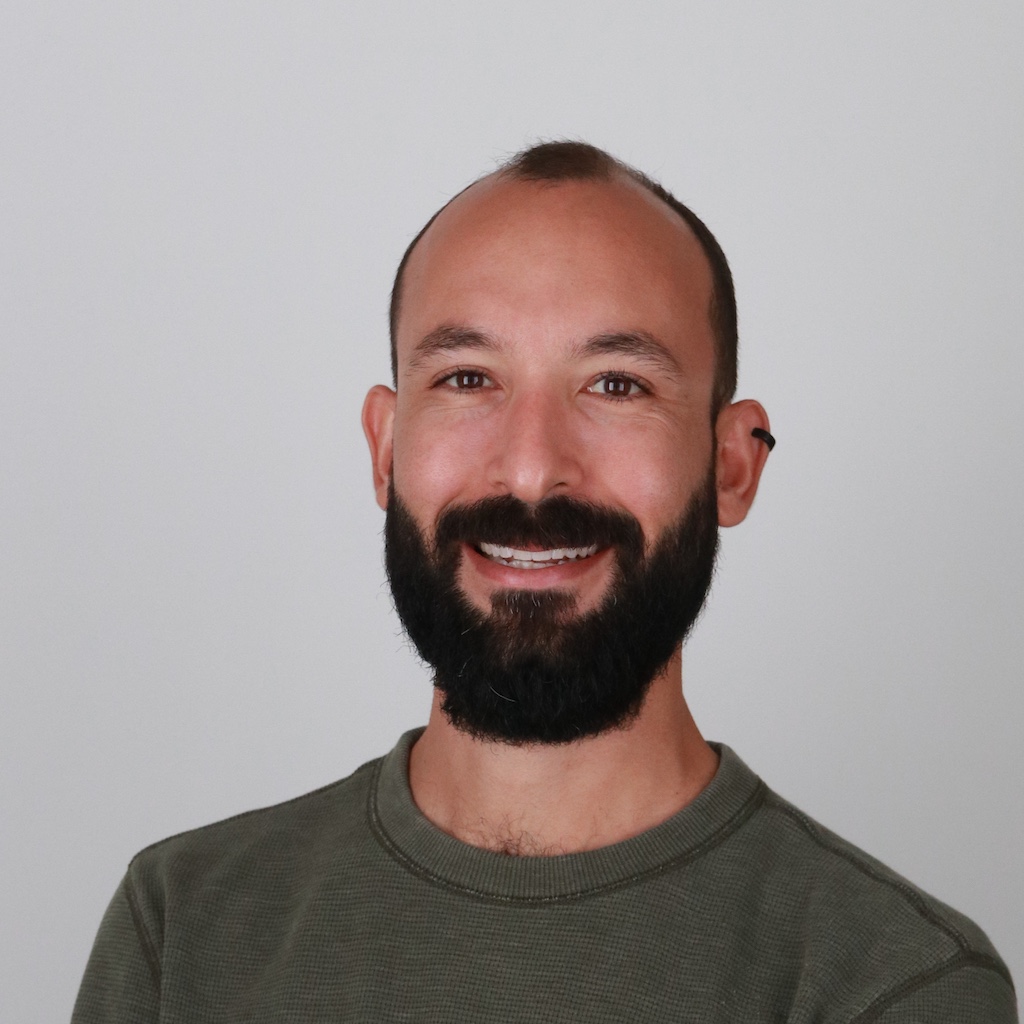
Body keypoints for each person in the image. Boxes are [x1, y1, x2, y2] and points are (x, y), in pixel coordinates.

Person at [72, 141, 1016, 1023]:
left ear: (733, 465)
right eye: (468, 379)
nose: (530, 471)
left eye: (616, 384)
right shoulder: (185, 932)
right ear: (386, 448)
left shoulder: (892, 986)